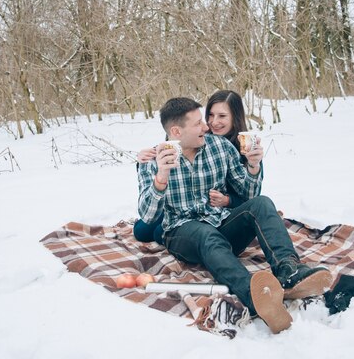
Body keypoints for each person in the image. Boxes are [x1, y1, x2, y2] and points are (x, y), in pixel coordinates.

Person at [137, 97, 332, 333]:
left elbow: (248, 194)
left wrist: (253, 166)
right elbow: (147, 216)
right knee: (204, 233)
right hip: (183, 233)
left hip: (221, 226)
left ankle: (288, 271)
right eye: (198, 123)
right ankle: (253, 295)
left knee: (261, 204)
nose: (206, 126)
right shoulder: (152, 162)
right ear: (176, 131)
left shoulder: (219, 147)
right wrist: (161, 178)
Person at [133, 90, 252, 244]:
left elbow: (249, 198)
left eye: (222, 116)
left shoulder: (247, 148)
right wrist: (151, 157)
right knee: (145, 231)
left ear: (235, 118)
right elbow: (179, 137)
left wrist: (228, 201)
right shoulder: (196, 139)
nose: (212, 123)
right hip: (183, 206)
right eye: (210, 115)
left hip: (221, 210)